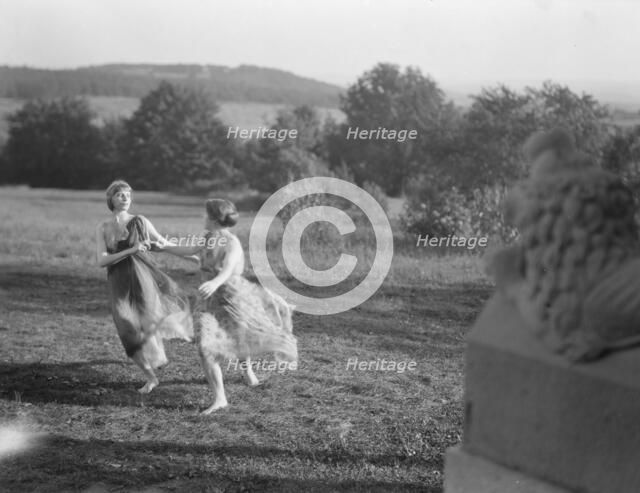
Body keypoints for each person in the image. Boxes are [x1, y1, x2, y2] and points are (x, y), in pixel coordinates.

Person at [162, 198, 297, 413]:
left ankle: (248, 372)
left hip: (231, 298)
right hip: (207, 301)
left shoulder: (231, 242)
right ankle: (220, 398)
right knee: (205, 347)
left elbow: (227, 268)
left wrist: (215, 282)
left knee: (238, 337)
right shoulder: (207, 238)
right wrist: (161, 246)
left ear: (215, 218)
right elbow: (188, 251)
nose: (203, 217)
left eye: (206, 214)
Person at [95, 180, 193, 393]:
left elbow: (163, 243)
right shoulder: (103, 227)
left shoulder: (140, 221)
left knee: (150, 323)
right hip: (118, 283)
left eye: (128, 195)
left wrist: (192, 255)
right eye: (120, 194)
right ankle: (151, 377)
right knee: (125, 327)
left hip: (143, 279)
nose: (125, 198)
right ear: (110, 199)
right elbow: (102, 260)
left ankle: (158, 354)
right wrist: (131, 250)